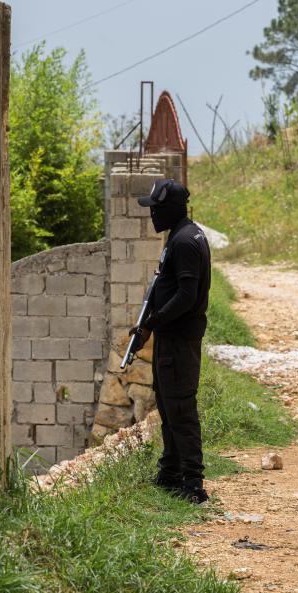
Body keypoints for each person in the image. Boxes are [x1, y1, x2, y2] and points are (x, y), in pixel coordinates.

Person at [131, 178, 212, 504]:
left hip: (179, 339)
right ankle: (171, 471)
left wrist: (153, 321)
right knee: (167, 404)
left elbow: (186, 295)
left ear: (171, 209)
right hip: (171, 338)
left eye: (156, 209)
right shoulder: (179, 236)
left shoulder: (184, 241)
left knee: (180, 408)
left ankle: (193, 484)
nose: (152, 216)